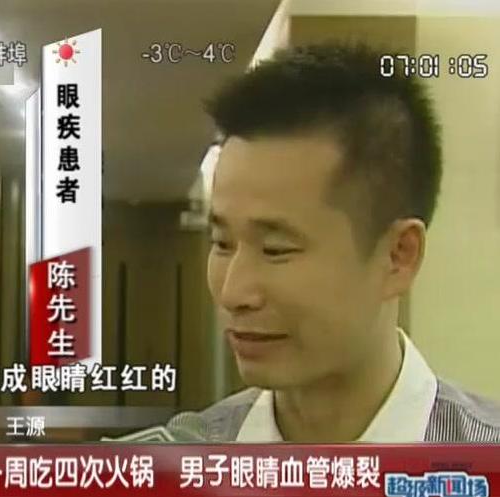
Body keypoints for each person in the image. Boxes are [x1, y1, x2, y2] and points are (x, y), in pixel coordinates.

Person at [191, 43, 500, 443]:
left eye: (276, 249)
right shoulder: (167, 463)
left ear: (398, 256)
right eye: (222, 242)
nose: (233, 293)